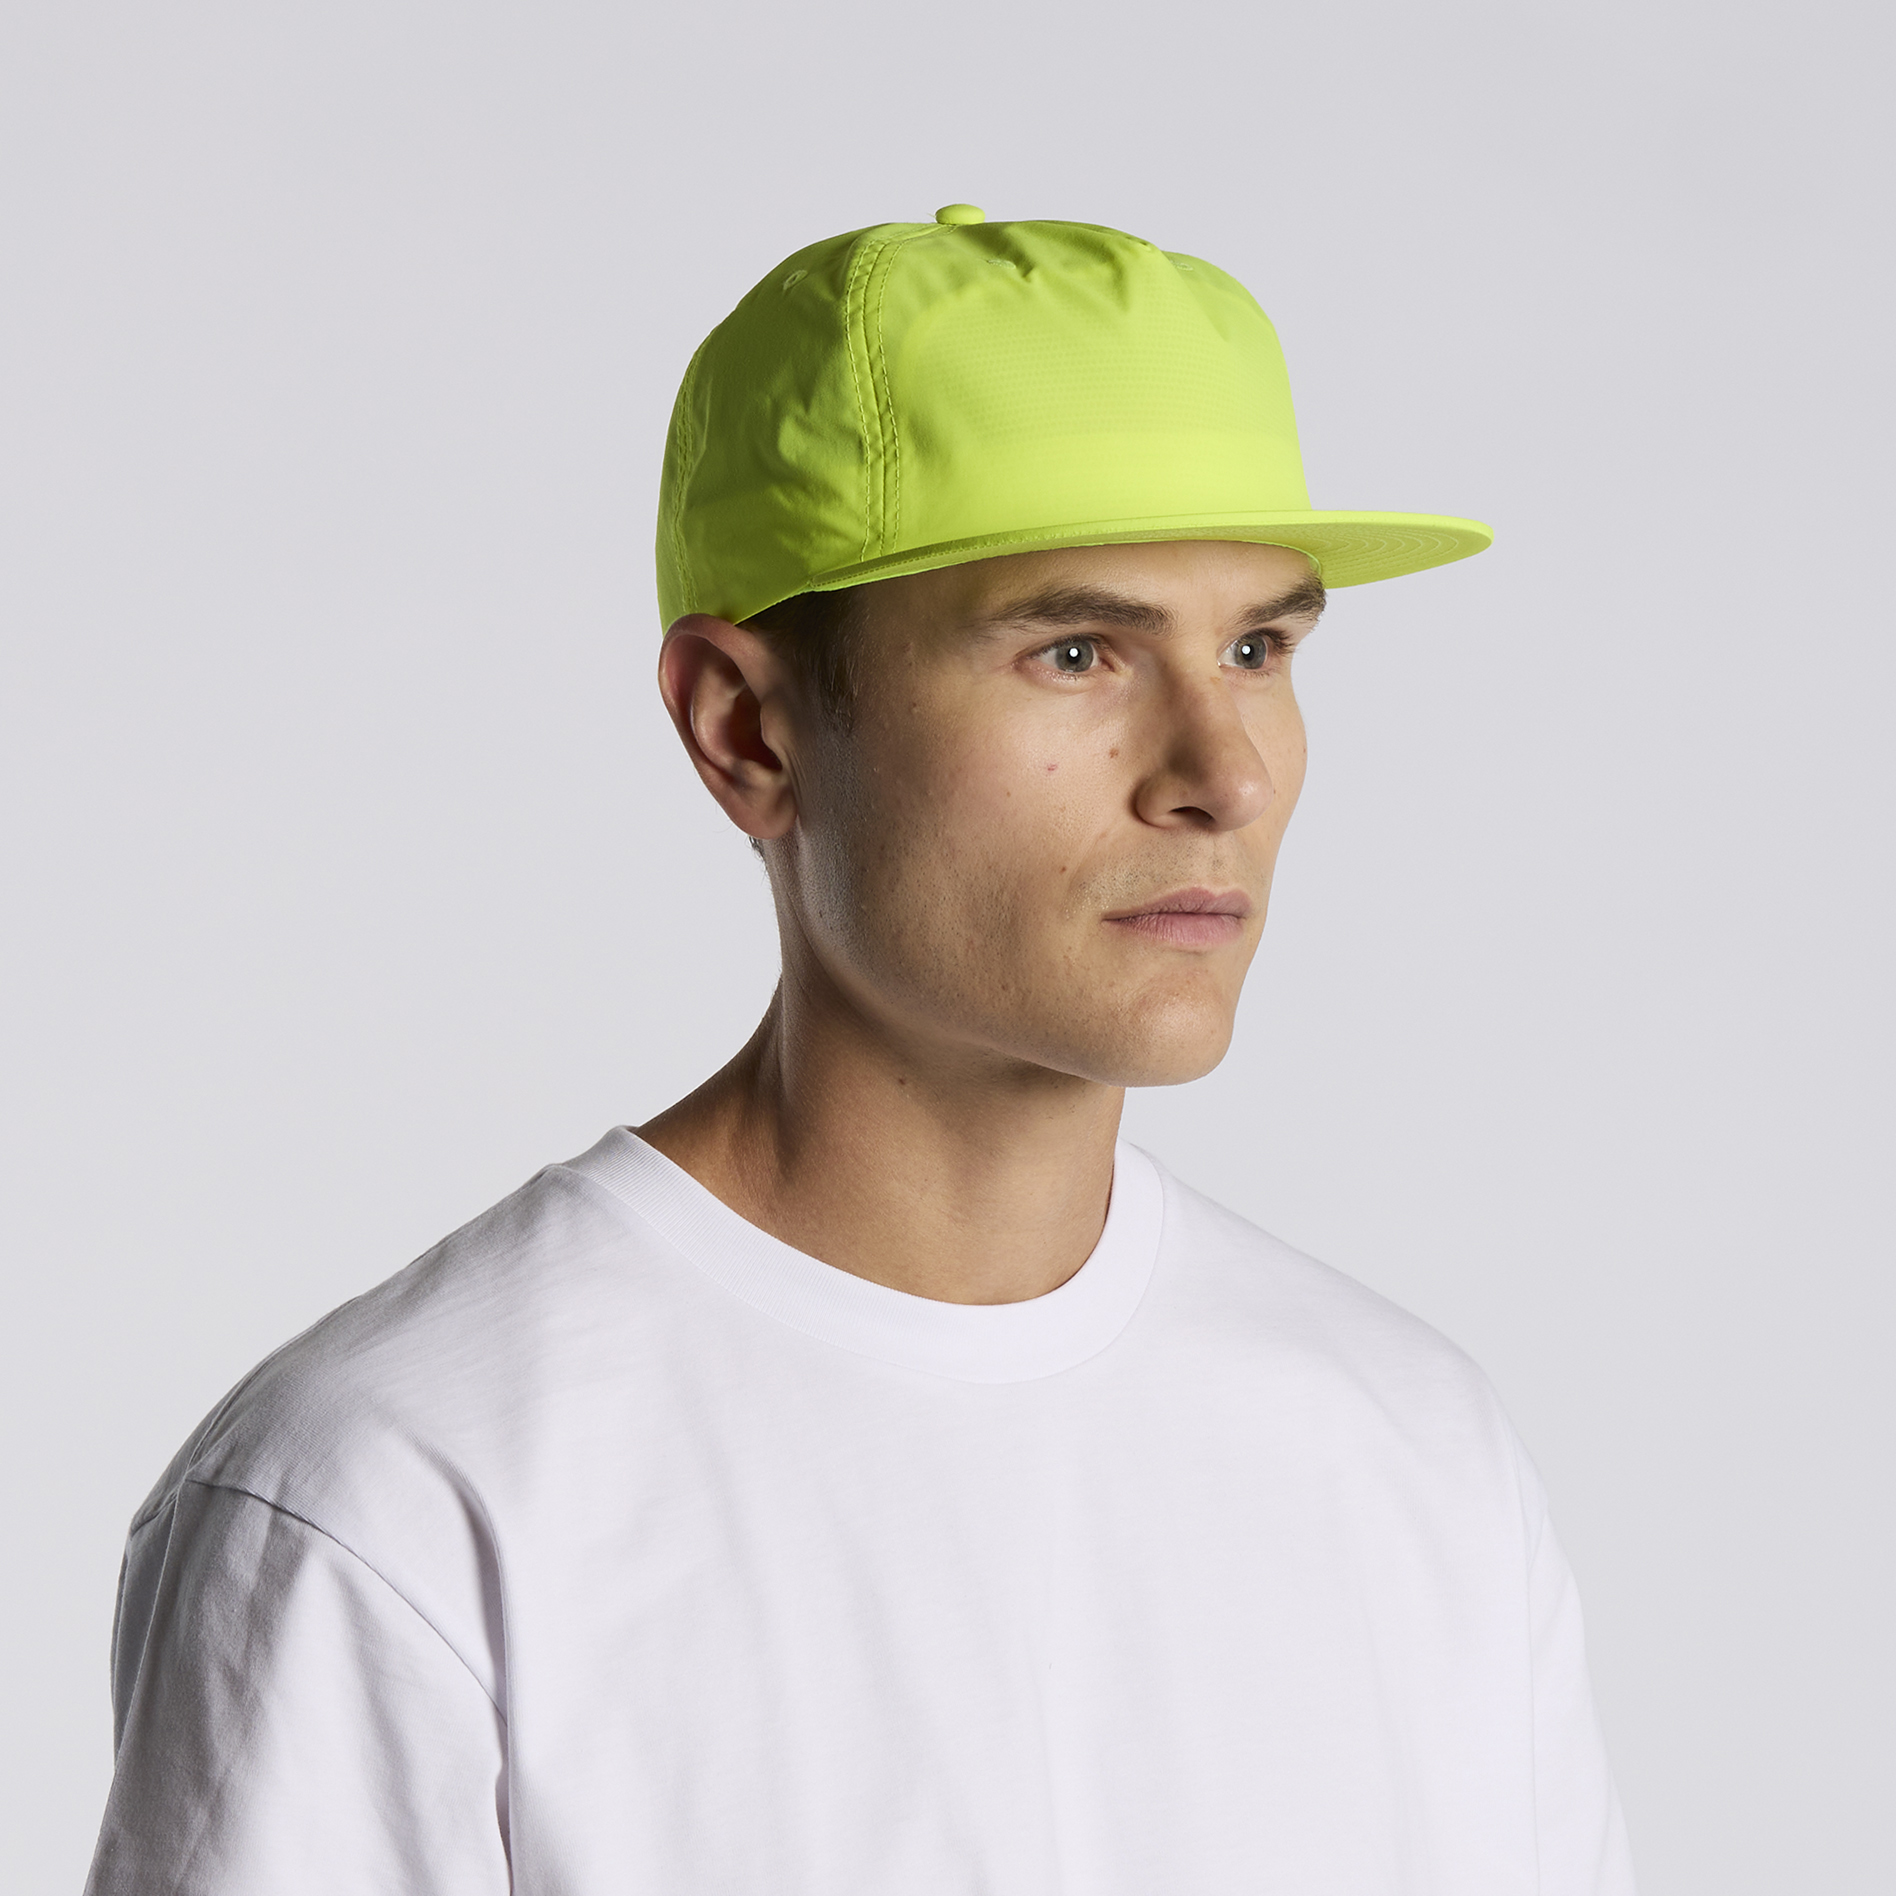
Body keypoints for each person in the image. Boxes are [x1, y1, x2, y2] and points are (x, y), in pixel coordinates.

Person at [84, 205, 1637, 1894]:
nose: (1226, 773)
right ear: (746, 730)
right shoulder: (409, 1491)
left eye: (1259, 648)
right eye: (1077, 652)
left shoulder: (1412, 1452)